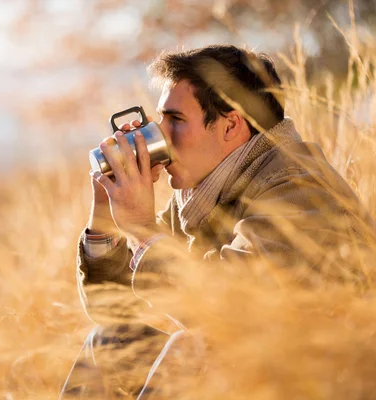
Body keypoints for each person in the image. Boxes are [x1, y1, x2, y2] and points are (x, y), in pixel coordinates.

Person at [60, 44, 376, 399]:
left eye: (175, 120)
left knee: (192, 350)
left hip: (332, 383)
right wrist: (107, 214)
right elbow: (111, 307)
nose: (160, 134)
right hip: (269, 376)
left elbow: (231, 314)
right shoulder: (207, 194)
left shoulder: (297, 191)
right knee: (111, 342)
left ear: (230, 126)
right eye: (161, 119)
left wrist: (143, 229)